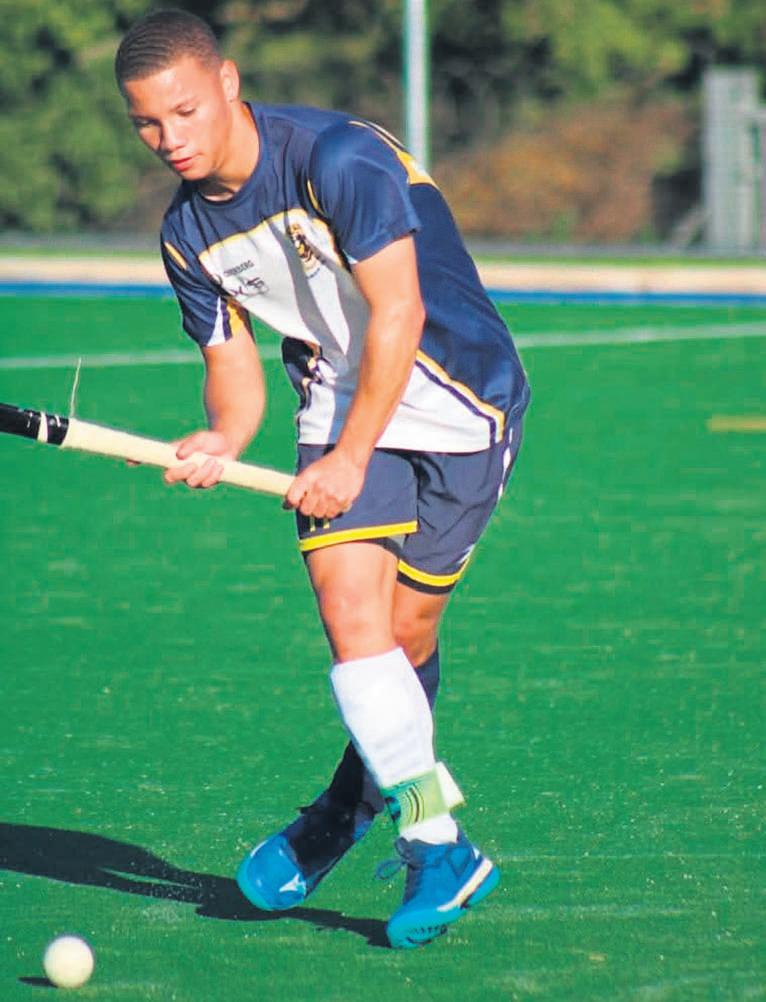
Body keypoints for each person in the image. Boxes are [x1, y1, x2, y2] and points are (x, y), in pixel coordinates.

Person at [115, 9, 530, 950]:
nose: (169, 139)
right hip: (337, 399)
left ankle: (345, 808)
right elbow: (233, 370)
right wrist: (222, 438)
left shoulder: (334, 159)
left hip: (460, 397)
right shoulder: (185, 235)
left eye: (184, 111)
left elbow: (400, 313)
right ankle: (438, 845)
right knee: (355, 625)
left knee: (406, 639)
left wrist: (352, 459)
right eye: (147, 123)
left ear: (227, 81)